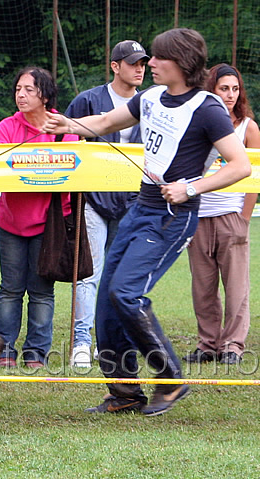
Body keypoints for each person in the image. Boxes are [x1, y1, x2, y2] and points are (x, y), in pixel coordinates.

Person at [42, 28, 251, 415]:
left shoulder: (208, 108)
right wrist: (68, 126)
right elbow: (105, 121)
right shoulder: (151, 97)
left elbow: (239, 166)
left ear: (183, 63)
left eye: (158, 58)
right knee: (108, 300)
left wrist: (190, 189)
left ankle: (170, 379)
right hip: (141, 209)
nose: (150, 64)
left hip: (172, 219)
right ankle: (124, 392)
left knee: (126, 293)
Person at [65, 40, 149, 367]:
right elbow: (67, 144)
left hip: (135, 202)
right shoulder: (88, 100)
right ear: (115, 66)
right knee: (88, 274)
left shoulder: (154, 102)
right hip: (94, 200)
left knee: (121, 278)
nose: (139, 68)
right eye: (132, 63)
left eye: (143, 63)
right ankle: (82, 342)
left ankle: (109, 342)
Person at [0, 66, 78, 368]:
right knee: (10, 289)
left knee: (42, 292)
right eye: (18, 89)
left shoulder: (65, 130)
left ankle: (36, 354)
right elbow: (0, 171)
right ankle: (2, 350)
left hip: (50, 225)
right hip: (11, 222)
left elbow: (70, 175)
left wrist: (32, 172)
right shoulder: (6, 127)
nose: (21, 95)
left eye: (28, 89)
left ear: (45, 94)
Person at [184, 64, 260, 365]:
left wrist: (244, 216)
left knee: (237, 285)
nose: (230, 94)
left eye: (235, 89)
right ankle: (208, 345)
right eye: (223, 88)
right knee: (202, 286)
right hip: (199, 215)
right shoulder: (198, 121)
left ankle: (233, 346)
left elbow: (254, 175)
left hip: (232, 215)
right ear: (211, 89)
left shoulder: (248, 127)